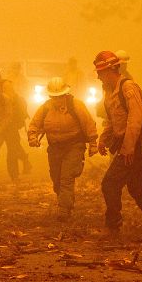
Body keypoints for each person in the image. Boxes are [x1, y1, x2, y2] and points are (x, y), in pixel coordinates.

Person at [93, 51, 142, 235]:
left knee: (109, 183)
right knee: (137, 185)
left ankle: (113, 226)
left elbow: (135, 120)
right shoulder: (109, 91)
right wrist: (104, 139)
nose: (98, 78)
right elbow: (113, 119)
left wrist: (128, 148)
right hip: (125, 142)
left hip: (135, 142)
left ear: (110, 71)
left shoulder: (128, 87)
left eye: (100, 73)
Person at [27, 78, 98, 220]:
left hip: (74, 146)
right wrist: (32, 137)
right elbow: (34, 124)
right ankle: (66, 201)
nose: (56, 100)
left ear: (65, 95)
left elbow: (88, 124)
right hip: (55, 148)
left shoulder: (76, 106)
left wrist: (93, 143)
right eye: (53, 97)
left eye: (59, 96)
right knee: (57, 179)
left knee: (66, 177)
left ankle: (64, 210)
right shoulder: (46, 107)